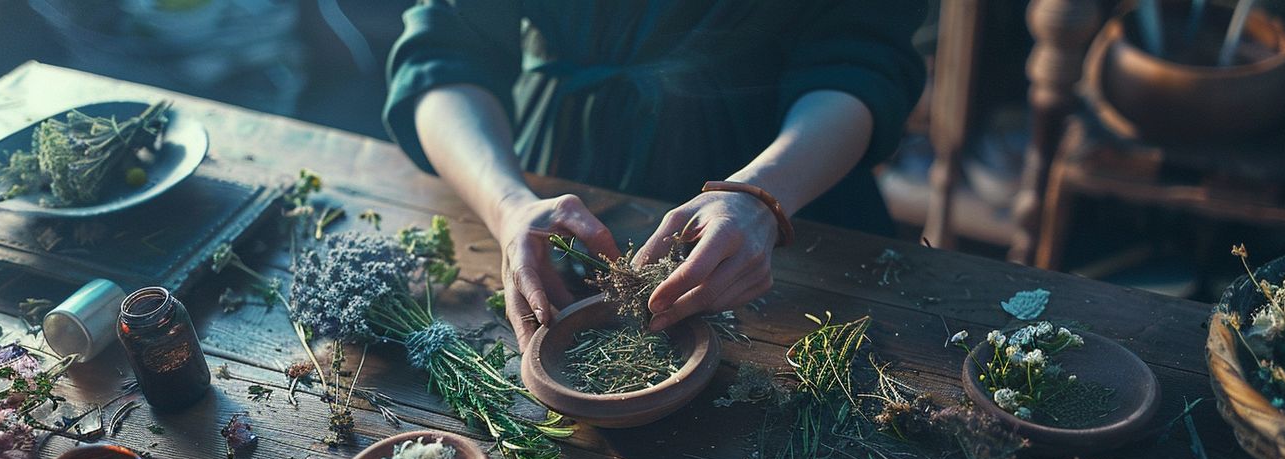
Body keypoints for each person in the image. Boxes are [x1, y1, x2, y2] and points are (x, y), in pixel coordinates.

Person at [385, 1, 926, 348]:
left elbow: (861, 60)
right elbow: (445, 50)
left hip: (790, 170)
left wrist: (761, 197)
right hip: (556, 173)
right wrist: (507, 207)